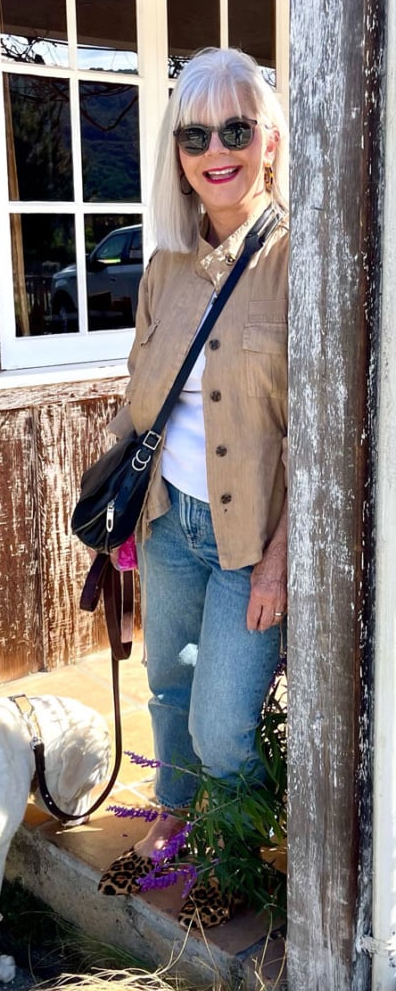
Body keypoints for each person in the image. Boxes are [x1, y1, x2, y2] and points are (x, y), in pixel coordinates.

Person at [98, 47, 288, 913]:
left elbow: (328, 443)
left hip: (251, 540)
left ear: (271, 140)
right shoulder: (163, 267)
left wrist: (284, 560)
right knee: (167, 687)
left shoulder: (301, 264)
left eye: (237, 128)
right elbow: (142, 404)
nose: (218, 149)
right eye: (196, 133)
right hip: (167, 524)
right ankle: (174, 820)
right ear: (177, 152)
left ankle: (239, 850)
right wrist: (124, 524)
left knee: (222, 726)